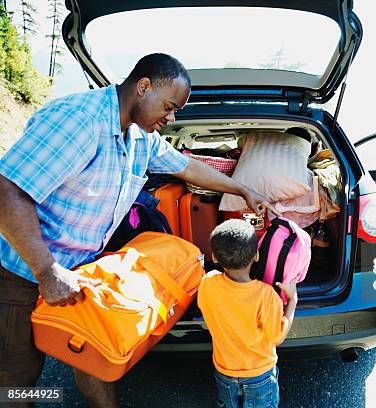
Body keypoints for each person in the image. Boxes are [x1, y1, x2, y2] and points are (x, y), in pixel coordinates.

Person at [0, 53, 278, 407]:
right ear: (143, 87)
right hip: (21, 269)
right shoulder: (79, 121)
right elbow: (7, 189)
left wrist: (242, 190)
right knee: (16, 373)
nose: (171, 118)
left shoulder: (139, 137)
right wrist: (46, 270)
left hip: (83, 268)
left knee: (97, 354)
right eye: (169, 106)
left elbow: (187, 167)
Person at [197, 219, 297, 408]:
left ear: (215, 257)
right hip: (259, 375)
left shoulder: (208, 282)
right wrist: (292, 301)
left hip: (224, 372)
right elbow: (278, 337)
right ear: (257, 255)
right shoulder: (266, 295)